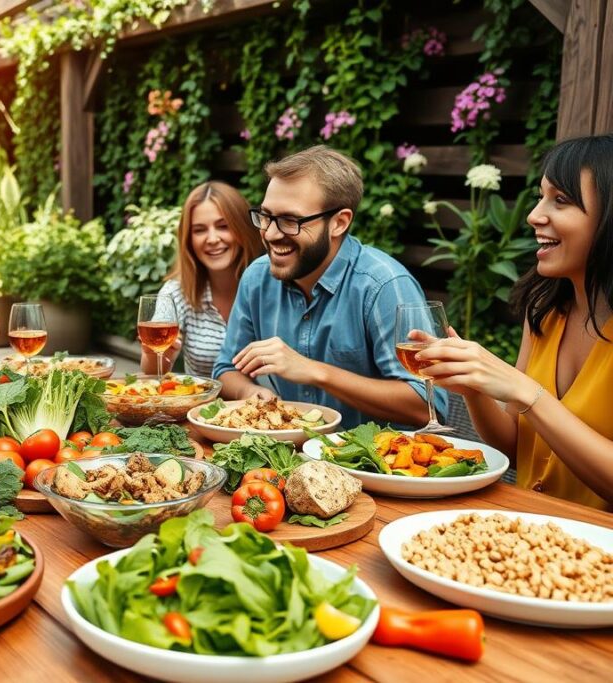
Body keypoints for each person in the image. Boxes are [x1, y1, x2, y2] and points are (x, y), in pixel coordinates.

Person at [418, 135, 613, 511]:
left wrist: (527, 392)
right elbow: (516, 445)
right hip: (526, 530)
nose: (534, 215)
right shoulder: (545, 310)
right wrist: (473, 387)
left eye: (561, 200)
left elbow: (529, 400)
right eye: (541, 196)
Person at [212, 145, 447, 428]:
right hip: (291, 452)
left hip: (379, 455)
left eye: (290, 221)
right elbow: (226, 369)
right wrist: (250, 393)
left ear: (339, 223)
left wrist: (316, 372)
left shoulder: (384, 285)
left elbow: (428, 404)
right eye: (266, 216)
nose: (271, 233)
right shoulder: (257, 278)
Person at [140, 181, 264, 377]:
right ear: (188, 239)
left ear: (242, 227)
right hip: (201, 398)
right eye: (199, 230)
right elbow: (151, 372)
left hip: (269, 397)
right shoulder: (176, 292)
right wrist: (157, 355)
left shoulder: (272, 285)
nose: (212, 239)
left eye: (223, 226)